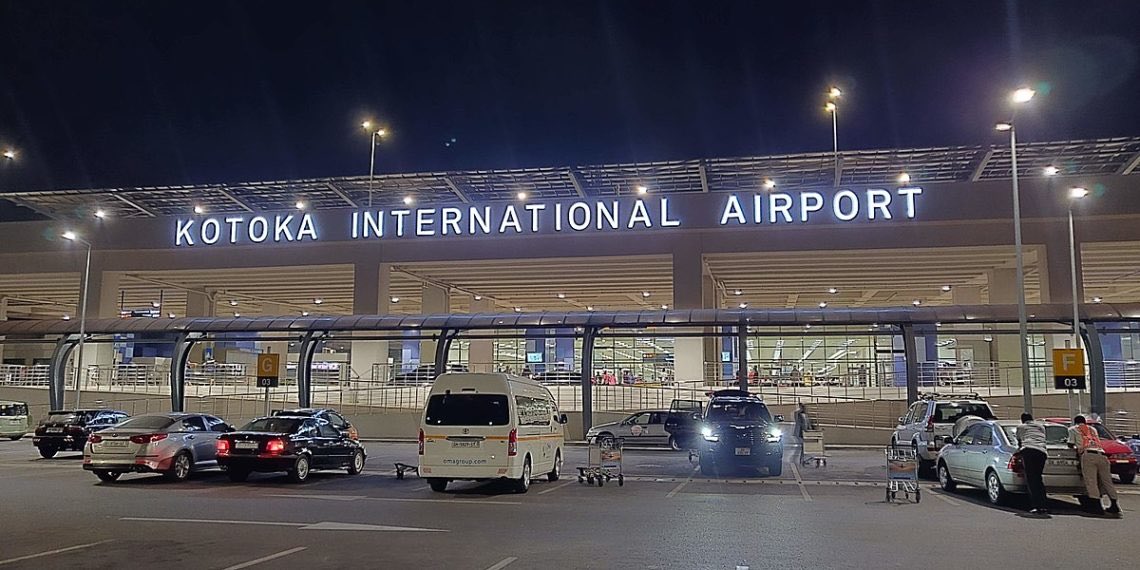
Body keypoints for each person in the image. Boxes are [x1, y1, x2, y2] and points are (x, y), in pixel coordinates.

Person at [1068, 415, 1121, 516]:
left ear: (1075, 422)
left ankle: (1097, 507)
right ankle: (1114, 505)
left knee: (1091, 481)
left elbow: (1070, 444)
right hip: (1102, 455)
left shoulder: (1073, 429)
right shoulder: (1093, 429)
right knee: (1107, 481)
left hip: (1088, 455)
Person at [1015, 413, 1049, 515]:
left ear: (1022, 420)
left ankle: (1036, 506)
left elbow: (1019, 440)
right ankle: (1044, 505)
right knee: (1038, 478)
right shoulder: (1040, 426)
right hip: (1042, 452)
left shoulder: (1021, 427)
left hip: (1029, 451)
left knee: (1031, 479)